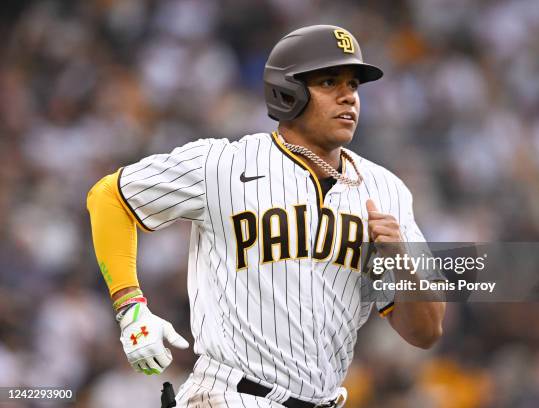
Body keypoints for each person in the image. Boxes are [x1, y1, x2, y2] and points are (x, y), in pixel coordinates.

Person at [87, 24, 445, 408]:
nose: (348, 98)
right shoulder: (223, 163)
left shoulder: (386, 190)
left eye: (354, 85)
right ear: (287, 92)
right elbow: (109, 196)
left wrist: (401, 261)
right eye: (329, 82)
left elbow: (426, 332)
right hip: (229, 395)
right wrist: (130, 306)